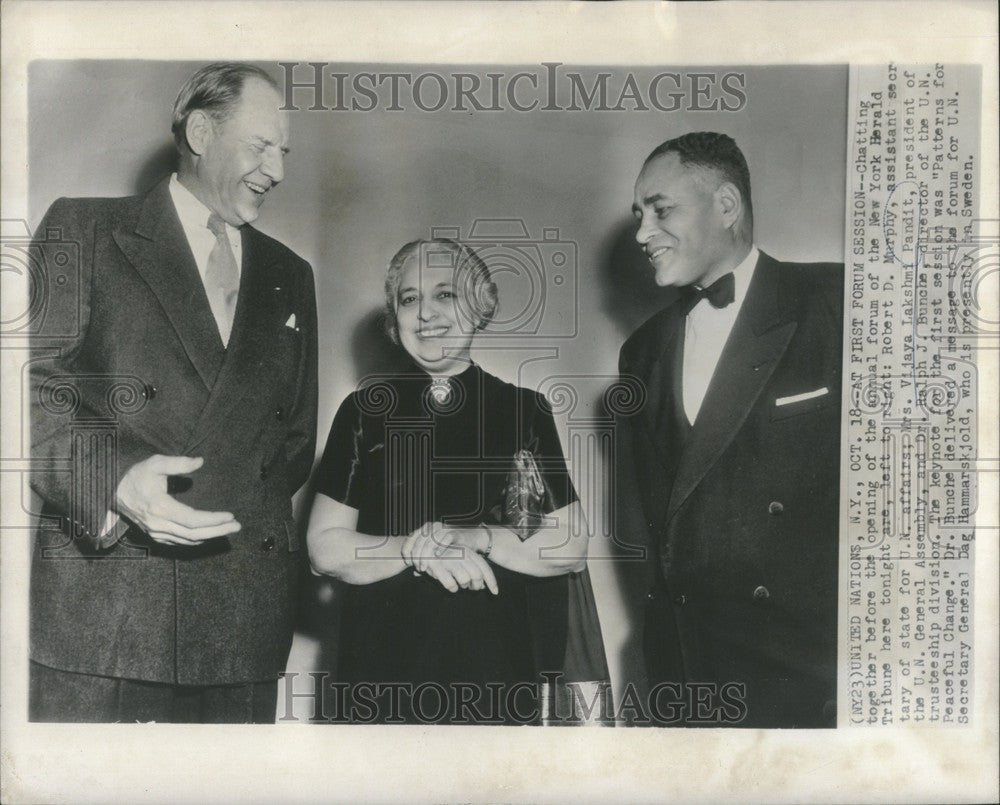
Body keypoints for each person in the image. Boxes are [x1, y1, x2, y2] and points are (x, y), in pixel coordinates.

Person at [29, 63, 318, 723]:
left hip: (243, 626)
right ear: (201, 131)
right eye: (262, 146)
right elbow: (27, 389)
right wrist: (116, 478)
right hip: (106, 619)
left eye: (285, 152)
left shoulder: (290, 275)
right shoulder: (84, 229)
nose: (277, 169)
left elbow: (294, 440)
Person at [307, 238, 608, 724]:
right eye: (409, 298)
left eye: (445, 294)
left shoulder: (521, 410)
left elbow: (568, 545)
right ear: (395, 317)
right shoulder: (364, 412)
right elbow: (325, 548)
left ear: (480, 303)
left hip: (496, 669)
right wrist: (416, 548)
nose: (425, 313)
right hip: (380, 669)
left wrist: (474, 537)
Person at [617, 132, 843, 727]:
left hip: (807, 672)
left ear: (726, 205)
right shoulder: (640, 352)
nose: (642, 232)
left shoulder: (838, 300)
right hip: (688, 671)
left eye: (661, 210)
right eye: (639, 215)